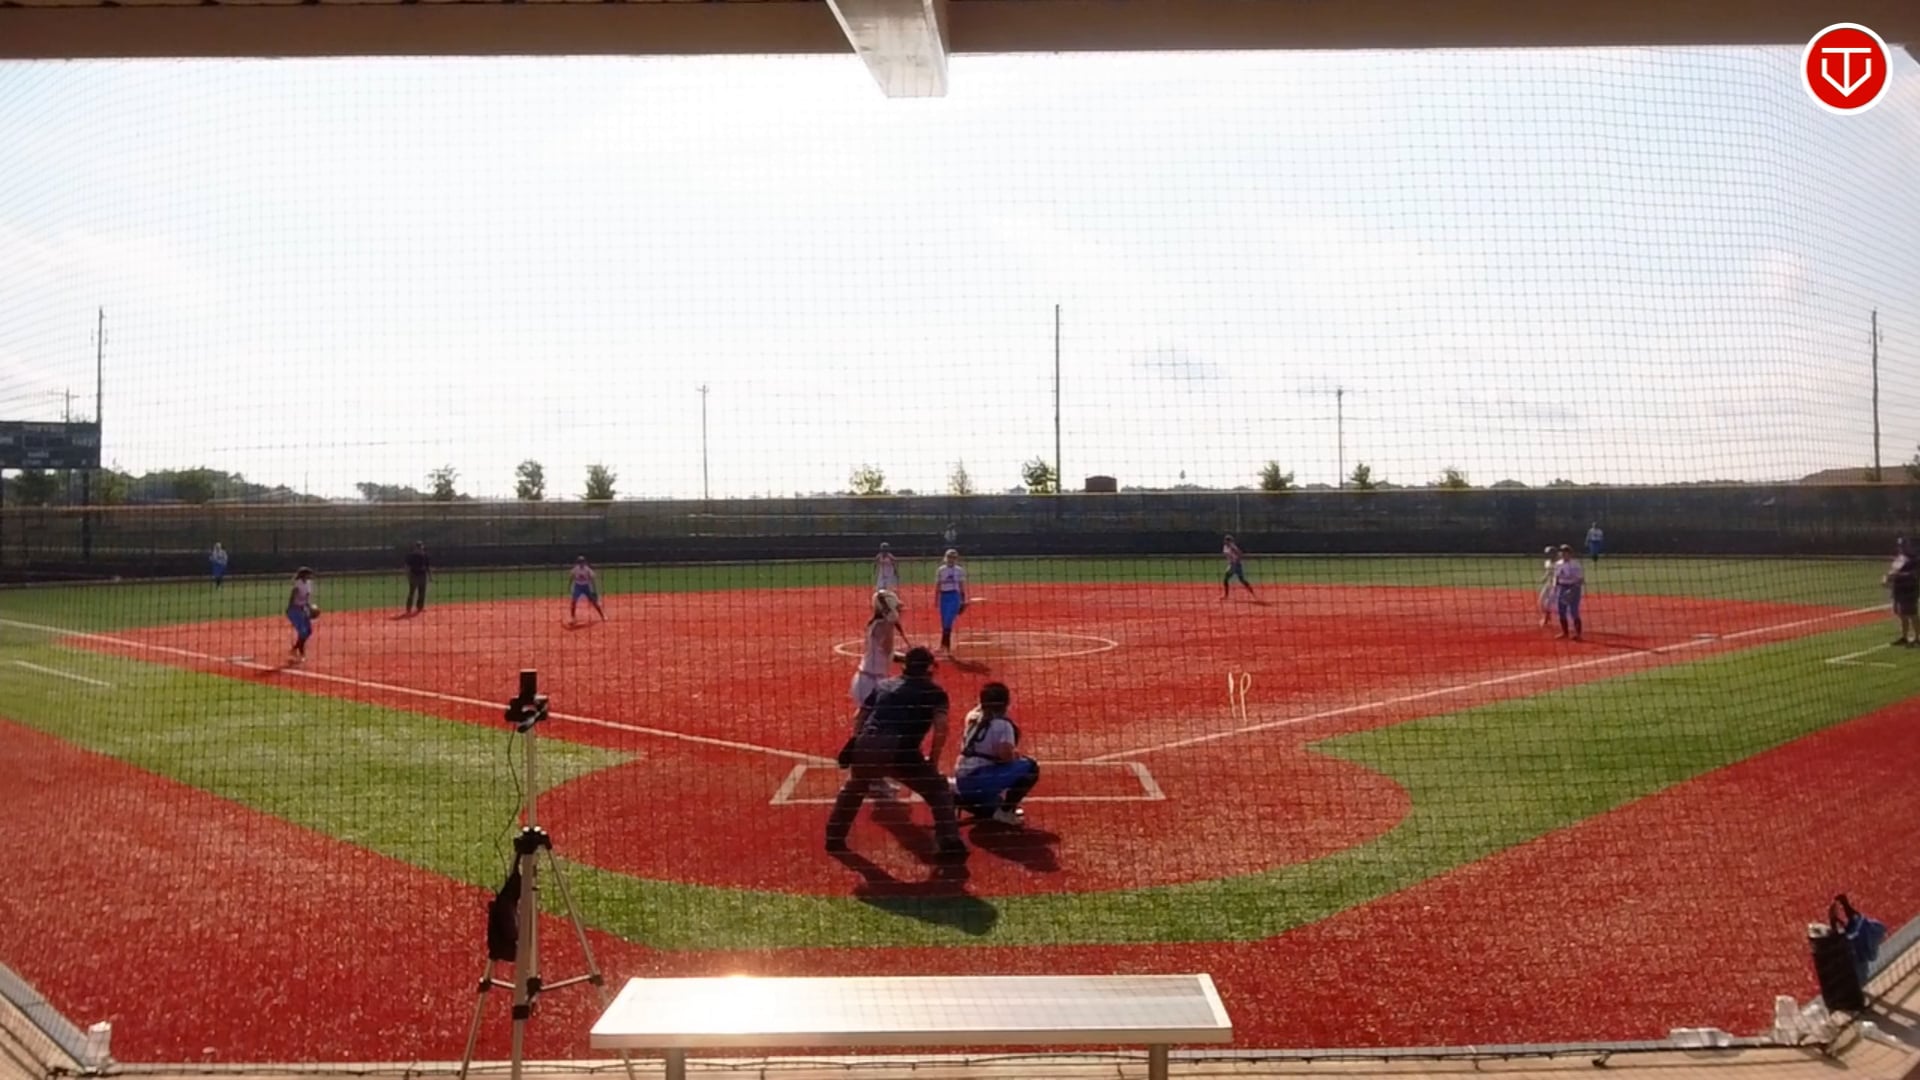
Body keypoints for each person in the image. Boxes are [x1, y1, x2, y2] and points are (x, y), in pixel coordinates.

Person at [825, 646, 966, 862]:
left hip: (867, 745)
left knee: (854, 787)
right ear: (929, 669)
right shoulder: (935, 693)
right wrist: (933, 760)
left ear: (905, 666)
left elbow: (859, 716)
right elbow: (941, 728)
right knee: (939, 790)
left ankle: (834, 837)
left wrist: (859, 742)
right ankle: (949, 843)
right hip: (901, 751)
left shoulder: (883, 685)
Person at [953, 682, 1039, 827]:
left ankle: (962, 799)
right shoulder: (1003, 725)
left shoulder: (972, 717)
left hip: (962, 780)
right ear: (1006, 702)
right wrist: (1015, 756)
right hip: (980, 782)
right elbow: (1005, 756)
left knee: (993, 806)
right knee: (1031, 767)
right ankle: (1006, 812)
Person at [1884, 537, 1918, 646]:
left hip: (1909, 589)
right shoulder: (1899, 558)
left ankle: (1918, 638)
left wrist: (1897, 575)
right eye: (1900, 545)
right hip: (1898, 589)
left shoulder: (1914, 559)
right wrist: (1887, 578)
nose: (1901, 547)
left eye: (1903, 545)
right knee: (1901, 614)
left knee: (1912, 614)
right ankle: (1904, 637)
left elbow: (1915, 574)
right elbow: (1892, 571)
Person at [934, 549, 967, 655]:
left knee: (948, 620)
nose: (951, 559)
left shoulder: (959, 570)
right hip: (944, 596)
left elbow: (961, 586)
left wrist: (963, 600)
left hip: (954, 596)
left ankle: (946, 646)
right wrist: (936, 599)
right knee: (944, 622)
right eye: (949, 557)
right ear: (946, 558)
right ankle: (943, 645)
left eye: (953, 557)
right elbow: (938, 585)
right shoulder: (941, 570)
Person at [1552, 543, 1585, 641]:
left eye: (1566, 552)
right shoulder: (1558, 564)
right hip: (1562, 587)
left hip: (1574, 588)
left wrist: (1573, 590)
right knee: (1561, 610)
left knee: (1574, 611)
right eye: (1562, 552)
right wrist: (1554, 587)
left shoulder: (1575, 565)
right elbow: (1556, 577)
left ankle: (1578, 634)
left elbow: (1581, 580)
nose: (1564, 554)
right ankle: (1565, 633)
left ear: (1570, 554)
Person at [286, 567, 317, 663]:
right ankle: (301, 652)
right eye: (308, 574)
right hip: (294, 609)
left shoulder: (309, 583)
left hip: (303, 608)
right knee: (302, 632)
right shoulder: (298, 583)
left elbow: (307, 597)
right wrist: (289, 607)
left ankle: (295, 649)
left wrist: (309, 608)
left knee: (309, 631)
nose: (310, 576)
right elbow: (293, 595)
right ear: (304, 575)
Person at [568, 556, 607, 624]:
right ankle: (573, 618)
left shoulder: (588, 570)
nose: (581, 563)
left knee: (594, 602)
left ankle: (602, 616)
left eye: (582, 562)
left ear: (585, 562)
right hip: (578, 587)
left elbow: (592, 580)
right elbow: (571, 578)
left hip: (586, 587)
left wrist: (594, 590)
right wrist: (569, 586)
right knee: (573, 602)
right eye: (580, 562)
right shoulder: (575, 569)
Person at [1221, 534, 1257, 600]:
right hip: (1233, 564)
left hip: (1234, 565)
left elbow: (1240, 553)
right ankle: (1252, 592)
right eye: (1227, 540)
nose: (1228, 541)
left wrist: (1236, 559)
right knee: (1240, 580)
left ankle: (1226, 595)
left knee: (1228, 579)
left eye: (1229, 540)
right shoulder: (1225, 547)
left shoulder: (1232, 547)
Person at [404, 541, 431, 615]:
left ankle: (420, 607)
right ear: (415, 548)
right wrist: (408, 575)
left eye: (420, 547)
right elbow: (407, 566)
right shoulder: (411, 556)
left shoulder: (425, 556)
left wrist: (430, 576)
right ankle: (408, 608)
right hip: (414, 575)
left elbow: (427, 567)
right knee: (412, 592)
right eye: (418, 547)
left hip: (422, 575)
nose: (419, 548)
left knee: (422, 592)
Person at [1537, 546, 1559, 628]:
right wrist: (1544, 578)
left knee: (1548, 603)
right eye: (1547, 554)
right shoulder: (1547, 562)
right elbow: (1548, 572)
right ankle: (1547, 615)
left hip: (1557, 585)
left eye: (1550, 553)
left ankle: (1545, 619)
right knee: (1540, 602)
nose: (1549, 555)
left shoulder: (1560, 563)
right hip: (1548, 584)